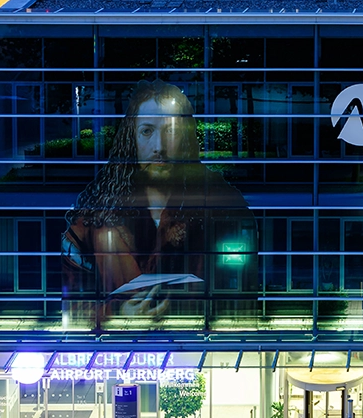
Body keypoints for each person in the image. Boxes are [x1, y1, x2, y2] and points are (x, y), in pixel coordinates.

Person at [62, 79, 254, 326]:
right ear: (131, 138)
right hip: (115, 348)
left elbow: (241, 296)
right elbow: (68, 298)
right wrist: (116, 314)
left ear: (185, 137)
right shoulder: (95, 210)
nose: (159, 147)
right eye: (147, 131)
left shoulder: (223, 204)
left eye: (171, 131)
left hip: (194, 340)